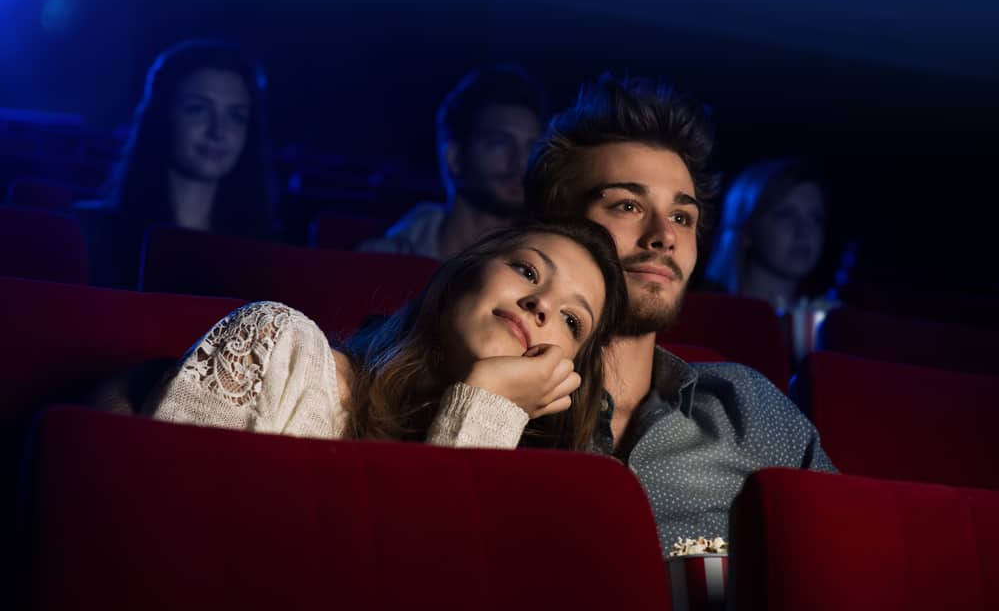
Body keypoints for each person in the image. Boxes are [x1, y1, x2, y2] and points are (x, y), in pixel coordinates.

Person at [523, 75, 837, 550]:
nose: (663, 236)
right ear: (553, 228)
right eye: (628, 205)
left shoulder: (750, 410)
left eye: (682, 217)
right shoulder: (484, 396)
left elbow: (851, 560)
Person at [149, 219, 627, 451]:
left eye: (572, 321)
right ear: (462, 275)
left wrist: (487, 407)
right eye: (526, 270)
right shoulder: (280, 347)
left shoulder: (536, 489)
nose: (543, 304)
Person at [76, 39, 278, 288]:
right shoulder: (90, 234)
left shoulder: (267, 252)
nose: (218, 131)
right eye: (197, 109)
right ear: (161, 117)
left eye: (236, 116)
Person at [357, 64, 547, 260]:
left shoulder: (540, 267)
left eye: (531, 147)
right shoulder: (381, 257)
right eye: (499, 143)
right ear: (453, 157)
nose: (521, 160)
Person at [703, 158, 829, 308]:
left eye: (815, 218)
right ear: (746, 226)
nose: (804, 231)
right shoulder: (705, 316)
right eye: (785, 214)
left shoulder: (829, 324)